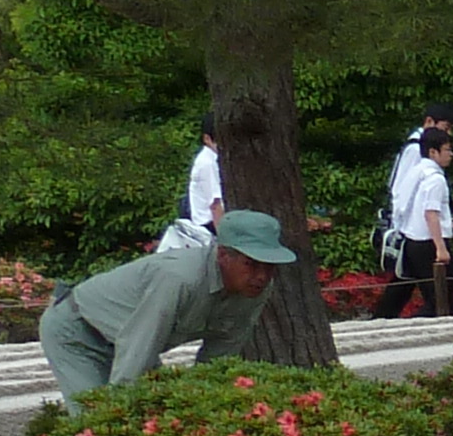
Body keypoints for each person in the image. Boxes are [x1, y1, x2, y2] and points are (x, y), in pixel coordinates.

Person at [38, 212, 297, 402]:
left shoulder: (255, 290)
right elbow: (138, 345)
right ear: (222, 256)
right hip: (77, 332)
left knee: (159, 416)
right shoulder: (180, 279)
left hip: (128, 342)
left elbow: (219, 358)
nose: (262, 276)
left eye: (269, 265)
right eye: (251, 264)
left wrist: (203, 407)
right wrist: (117, 413)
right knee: (95, 424)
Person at [372, 121, 453, 318]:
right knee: (442, 297)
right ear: (433, 152)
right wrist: (441, 247)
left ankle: (382, 320)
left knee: (411, 288)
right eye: (447, 150)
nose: (450, 154)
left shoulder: (415, 172)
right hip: (429, 242)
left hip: (412, 239)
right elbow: (430, 213)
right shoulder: (435, 178)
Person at [156, 126, 223, 254]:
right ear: (207, 138)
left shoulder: (211, 160)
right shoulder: (207, 164)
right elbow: (215, 205)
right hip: (208, 227)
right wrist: (226, 241)